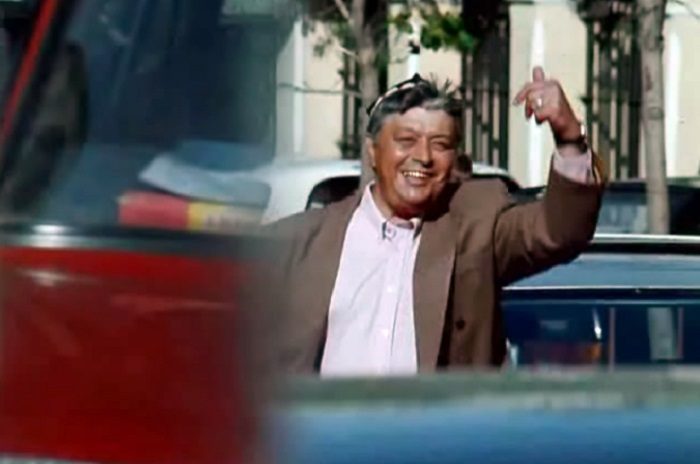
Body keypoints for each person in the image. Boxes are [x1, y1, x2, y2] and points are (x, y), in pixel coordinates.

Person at [263, 67, 604, 376]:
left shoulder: (475, 226)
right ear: (373, 151)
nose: (423, 157)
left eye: (440, 145)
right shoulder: (300, 242)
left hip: (436, 426)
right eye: (406, 141)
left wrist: (569, 136)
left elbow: (560, 231)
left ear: (454, 158)